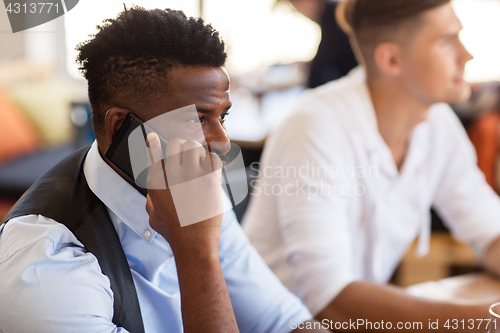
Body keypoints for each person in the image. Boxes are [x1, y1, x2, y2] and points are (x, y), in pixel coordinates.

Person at [0, 7, 329, 333]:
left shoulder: (193, 188)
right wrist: (196, 254)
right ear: (120, 128)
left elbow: (281, 320)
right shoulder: (46, 269)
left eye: (222, 117)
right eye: (197, 119)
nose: (223, 143)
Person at [243, 0, 500, 331]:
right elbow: (329, 302)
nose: (467, 55)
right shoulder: (315, 126)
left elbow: (491, 231)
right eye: (447, 41)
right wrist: (488, 319)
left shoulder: (437, 123)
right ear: (392, 59)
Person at [281, 0, 357, 87]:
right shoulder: (331, 14)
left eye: (298, 5)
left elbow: (319, 71)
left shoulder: (332, 16)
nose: (300, 11)